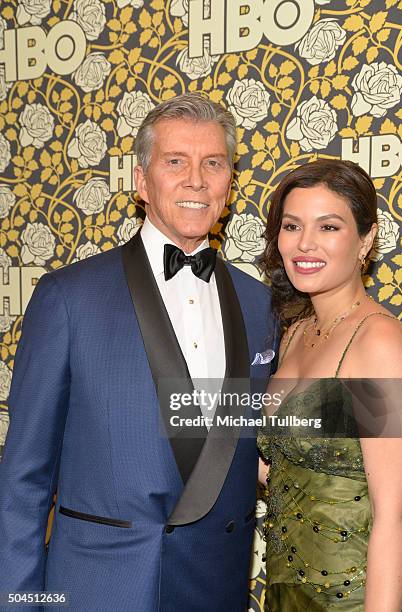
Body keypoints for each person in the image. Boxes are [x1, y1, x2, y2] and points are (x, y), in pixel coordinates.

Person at [0, 93, 279, 611]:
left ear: (228, 183)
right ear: (142, 180)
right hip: (95, 591)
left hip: (215, 588)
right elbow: (23, 480)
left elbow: (255, 434)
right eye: (176, 162)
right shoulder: (67, 298)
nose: (196, 179)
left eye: (213, 163)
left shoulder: (261, 305)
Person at [257, 159, 402, 611]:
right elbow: (288, 471)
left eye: (328, 227)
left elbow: (395, 515)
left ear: (366, 239)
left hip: (353, 598)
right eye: (292, 225)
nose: (305, 244)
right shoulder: (295, 333)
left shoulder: (379, 343)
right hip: (285, 591)